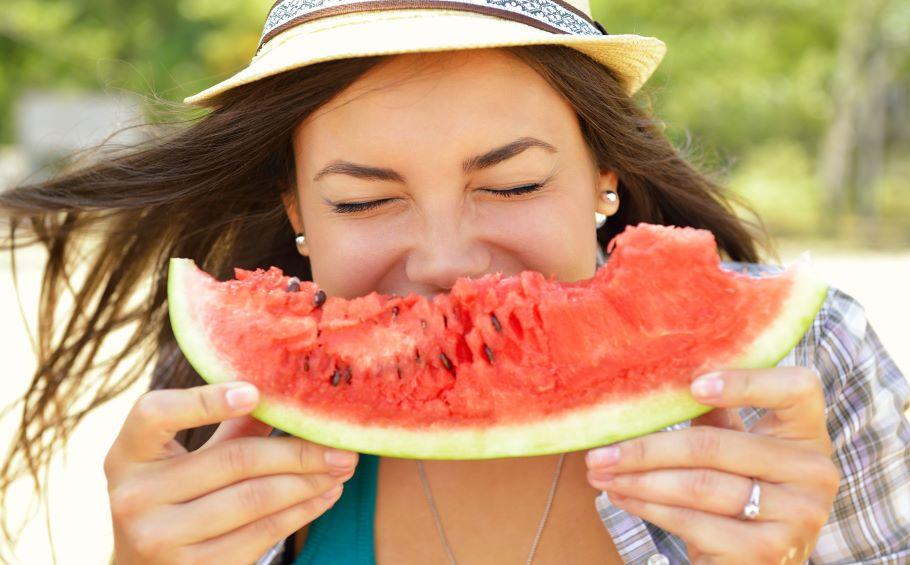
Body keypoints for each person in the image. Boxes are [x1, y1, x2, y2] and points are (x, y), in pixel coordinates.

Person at [1, 0, 907, 563]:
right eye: (363, 200)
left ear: (604, 174)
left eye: (512, 184)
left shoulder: (806, 370)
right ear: (296, 206)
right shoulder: (223, 417)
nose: (447, 262)